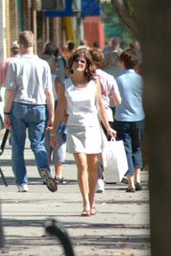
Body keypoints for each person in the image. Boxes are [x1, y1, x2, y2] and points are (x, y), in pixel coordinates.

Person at [51, 49, 117, 216]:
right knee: (81, 165)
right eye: (76, 61)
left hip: (92, 128)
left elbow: (100, 108)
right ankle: (86, 203)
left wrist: (108, 128)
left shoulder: (94, 82)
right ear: (71, 64)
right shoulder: (66, 85)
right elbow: (60, 109)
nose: (79, 64)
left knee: (93, 167)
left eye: (83, 62)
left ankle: (93, 200)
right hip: (74, 128)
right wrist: (53, 131)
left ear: (87, 65)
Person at [4, 31, 57, 193]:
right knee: (39, 144)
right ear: (33, 44)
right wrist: (52, 115)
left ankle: (22, 183)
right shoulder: (43, 64)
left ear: (20, 44)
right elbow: (49, 92)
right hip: (39, 107)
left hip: (19, 106)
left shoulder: (14, 63)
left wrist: (6, 112)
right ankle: (44, 170)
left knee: (18, 147)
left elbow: (10, 91)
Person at [89, 48, 122, 193]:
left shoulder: (87, 78)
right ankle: (106, 174)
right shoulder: (108, 77)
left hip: (91, 115)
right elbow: (118, 100)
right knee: (104, 147)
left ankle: (99, 178)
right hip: (107, 115)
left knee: (93, 148)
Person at [113, 49, 145, 192]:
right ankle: (138, 177)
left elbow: (113, 101)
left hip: (122, 118)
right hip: (139, 117)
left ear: (123, 62)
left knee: (126, 149)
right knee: (137, 147)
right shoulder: (140, 79)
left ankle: (130, 181)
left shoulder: (118, 79)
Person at [41, 56, 67, 184]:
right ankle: (58, 174)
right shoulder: (55, 79)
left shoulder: (39, 78)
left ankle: (46, 173)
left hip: (42, 109)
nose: (57, 65)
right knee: (59, 142)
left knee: (45, 144)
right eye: (54, 63)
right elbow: (61, 96)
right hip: (56, 108)